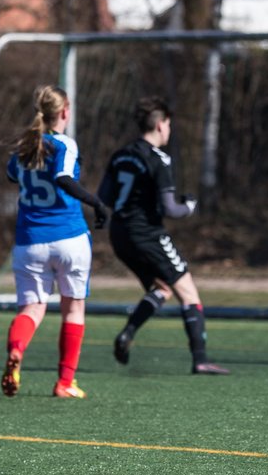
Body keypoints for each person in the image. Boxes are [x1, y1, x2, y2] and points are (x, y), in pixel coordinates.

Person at [98, 96, 229, 375]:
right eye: (168, 124)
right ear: (160, 125)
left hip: (119, 234)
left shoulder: (120, 155)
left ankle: (127, 334)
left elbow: (104, 196)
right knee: (189, 293)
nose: (169, 130)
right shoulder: (159, 159)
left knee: (161, 289)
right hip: (147, 234)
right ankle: (201, 359)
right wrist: (190, 206)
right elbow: (171, 209)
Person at [1, 84, 109, 400]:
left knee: (32, 309)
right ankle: (64, 382)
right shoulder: (64, 144)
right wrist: (97, 204)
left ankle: (17, 350)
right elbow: (63, 178)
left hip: (30, 241)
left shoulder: (24, 147)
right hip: (69, 238)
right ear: (65, 111)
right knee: (73, 308)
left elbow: (11, 176)